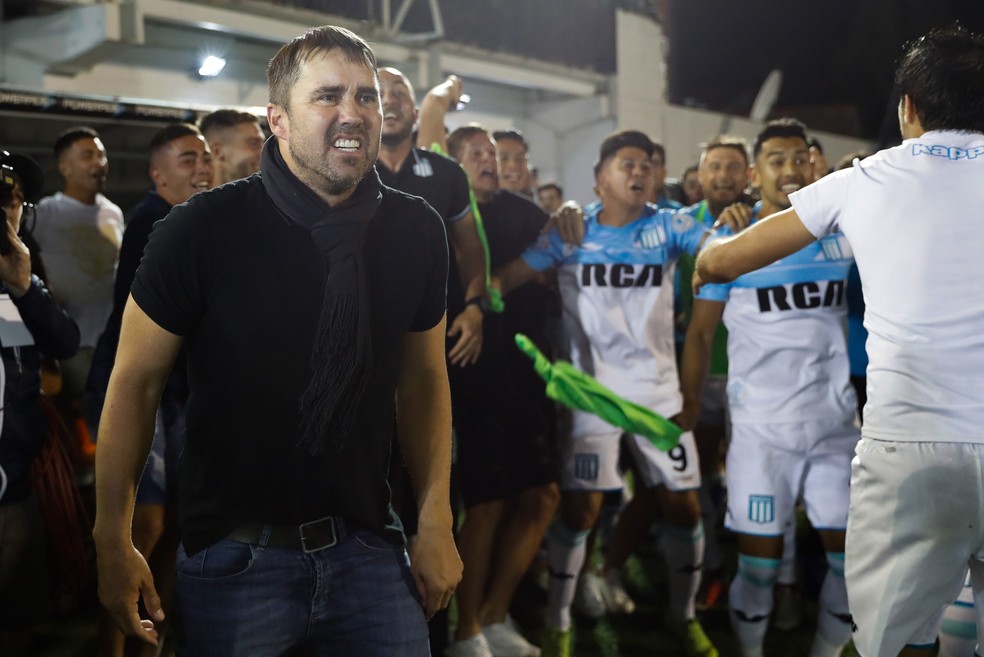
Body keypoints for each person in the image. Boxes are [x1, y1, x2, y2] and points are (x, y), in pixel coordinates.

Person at [92, 25, 461, 656]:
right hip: (236, 556)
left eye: (365, 97)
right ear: (278, 121)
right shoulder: (201, 229)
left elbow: (423, 378)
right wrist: (111, 538)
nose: (353, 115)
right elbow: (135, 382)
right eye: (327, 97)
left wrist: (435, 517)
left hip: (371, 543)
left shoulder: (416, 229)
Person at [694, 26, 984, 657]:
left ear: (909, 105)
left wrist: (708, 256)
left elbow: (720, 265)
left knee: (892, 637)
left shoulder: (862, 181)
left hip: (910, 445)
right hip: (805, 425)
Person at [496, 129, 717, 657]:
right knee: (582, 511)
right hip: (588, 397)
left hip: (658, 396)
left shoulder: (670, 226)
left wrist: (734, 225)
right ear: (601, 178)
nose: (640, 172)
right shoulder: (570, 231)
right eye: (627, 163)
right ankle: (560, 622)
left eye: (647, 164)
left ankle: (683, 616)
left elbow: (725, 251)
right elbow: (507, 276)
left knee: (684, 508)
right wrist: (471, 304)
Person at [682, 119, 857, 657]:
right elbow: (701, 333)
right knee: (757, 569)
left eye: (798, 158)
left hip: (836, 429)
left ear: (813, 165)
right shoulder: (730, 241)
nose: (788, 169)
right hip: (761, 434)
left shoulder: (842, 235)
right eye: (775, 160)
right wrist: (688, 413)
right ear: (755, 174)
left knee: (853, 568)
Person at [92, 122, 212, 657]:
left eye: (206, 157)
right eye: (188, 159)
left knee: (171, 525)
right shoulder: (154, 223)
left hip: (175, 392)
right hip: (144, 393)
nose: (203, 167)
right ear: (157, 173)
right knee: (145, 526)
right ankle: (116, 646)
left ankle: (147, 641)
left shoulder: (192, 219)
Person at [440, 123, 560, 657]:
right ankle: (466, 630)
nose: (493, 161)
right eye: (479, 153)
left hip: (530, 373)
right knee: (486, 504)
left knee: (540, 494)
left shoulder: (527, 213)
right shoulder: (442, 217)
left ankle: (496, 614)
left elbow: (558, 259)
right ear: (451, 161)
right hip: (475, 374)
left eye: (498, 153)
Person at [0, 149, 81, 653]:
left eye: (12, 202)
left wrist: (25, 286)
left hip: (16, 481)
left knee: (15, 617)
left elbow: (65, 343)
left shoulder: (23, 276)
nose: (5, 211)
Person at [32, 127, 123, 448]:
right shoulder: (45, 213)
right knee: (72, 420)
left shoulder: (113, 212)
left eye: (102, 154)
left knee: (112, 421)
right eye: (88, 155)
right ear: (65, 167)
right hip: (71, 341)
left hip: (111, 338)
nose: (99, 162)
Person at [198, 108, 265, 186]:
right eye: (254, 144)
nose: (264, 152)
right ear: (217, 151)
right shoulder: (188, 196)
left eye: (263, 144)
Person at [493, 129, 535, 198]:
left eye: (519, 159)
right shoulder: (474, 207)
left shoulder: (535, 207)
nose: (513, 165)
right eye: (503, 158)